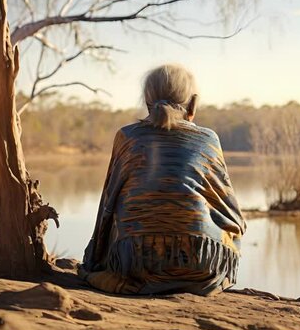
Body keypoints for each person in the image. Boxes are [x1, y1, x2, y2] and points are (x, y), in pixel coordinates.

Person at [80, 64, 246, 296]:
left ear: (148, 102)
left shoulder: (127, 137)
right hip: (200, 266)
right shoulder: (208, 139)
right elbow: (230, 212)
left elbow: (107, 207)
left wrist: (94, 258)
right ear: (193, 104)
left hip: (136, 265)